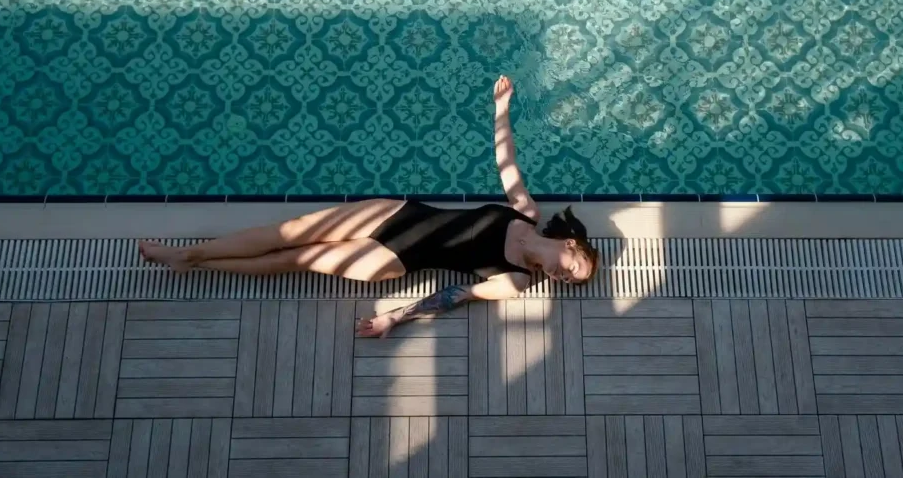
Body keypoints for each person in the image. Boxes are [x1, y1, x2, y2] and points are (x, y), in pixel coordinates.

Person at [140, 76, 599, 337]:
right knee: (293, 229)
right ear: (571, 243)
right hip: (398, 214)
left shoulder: (515, 280)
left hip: (394, 259)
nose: (563, 277)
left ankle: (193, 257)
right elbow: (507, 161)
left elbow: (456, 296)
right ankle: (191, 254)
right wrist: (501, 109)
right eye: (574, 267)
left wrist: (393, 318)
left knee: (296, 258)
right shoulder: (525, 212)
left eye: (569, 282)